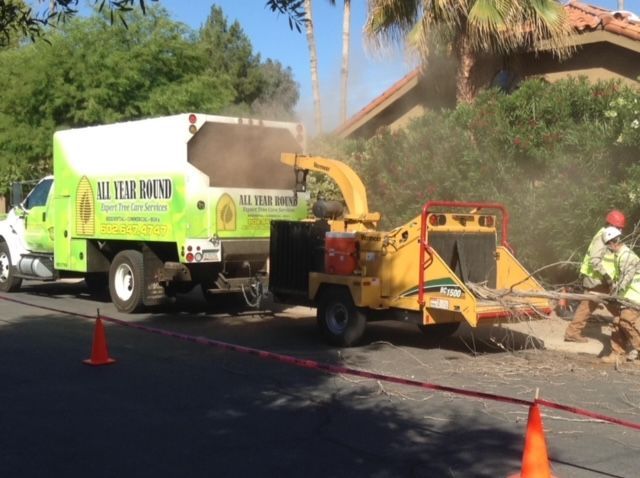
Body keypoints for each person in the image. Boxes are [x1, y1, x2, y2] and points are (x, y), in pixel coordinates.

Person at [564, 209, 626, 342]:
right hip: (597, 279)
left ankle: (572, 332)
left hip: (600, 279)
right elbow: (595, 260)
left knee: (591, 306)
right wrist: (607, 277)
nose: (620, 231)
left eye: (621, 228)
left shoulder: (607, 235)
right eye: (618, 227)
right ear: (611, 225)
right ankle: (626, 335)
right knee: (614, 307)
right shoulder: (602, 237)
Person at [599, 227, 640, 363]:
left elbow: (625, 280)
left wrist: (614, 295)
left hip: (635, 295)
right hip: (627, 295)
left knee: (626, 321)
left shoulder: (627, 257)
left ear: (613, 242)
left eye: (607, 245)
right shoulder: (620, 256)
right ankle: (617, 354)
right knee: (617, 322)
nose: (608, 248)